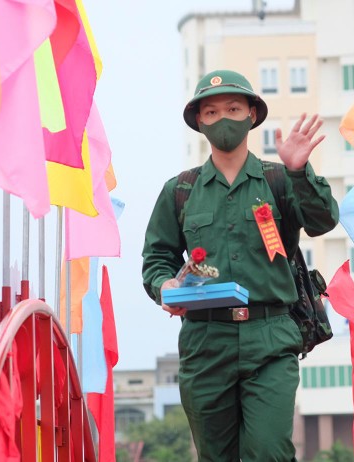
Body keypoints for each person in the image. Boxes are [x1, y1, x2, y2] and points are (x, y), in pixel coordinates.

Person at [141, 69, 339, 462]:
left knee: (269, 450)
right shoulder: (180, 191)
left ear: (252, 114)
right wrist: (164, 286)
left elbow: (322, 222)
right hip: (205, 340)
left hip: (271, 337)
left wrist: (300, 171)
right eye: (211, 112)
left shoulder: (279, 179)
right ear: (199, 122)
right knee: (216, 455)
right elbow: (157, 258)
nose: (223, 120)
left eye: (233, 108)